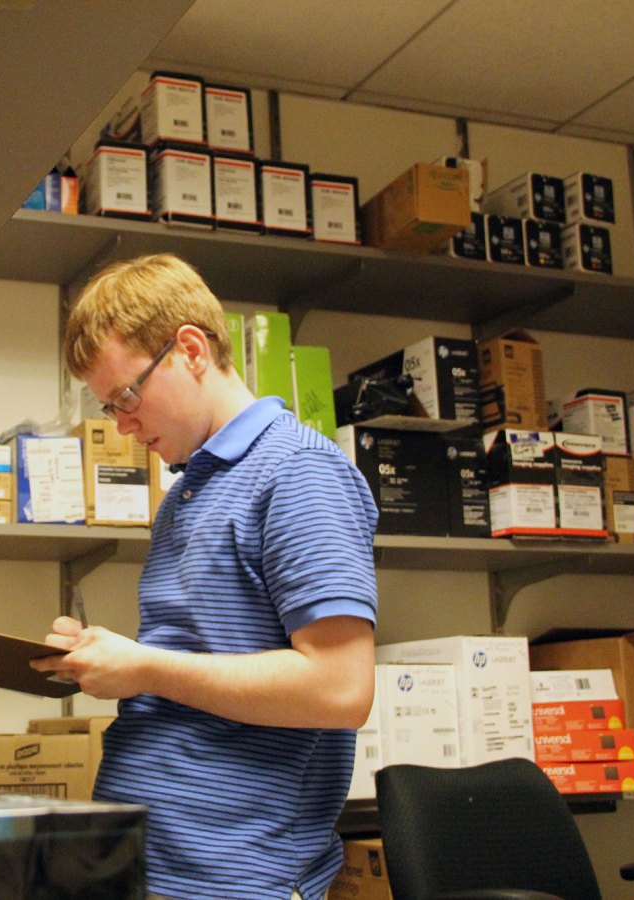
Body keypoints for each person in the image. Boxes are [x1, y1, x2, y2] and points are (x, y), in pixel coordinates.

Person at [30, 253, 379, 900]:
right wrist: (109, 660)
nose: (124, 425)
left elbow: (341, 688)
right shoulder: (191, 490)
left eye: (128, 396)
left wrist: (146, 668)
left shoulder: (298, 473)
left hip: (237, 879)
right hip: (149, 864)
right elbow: (199, 664)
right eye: (110, 408)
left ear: (190, 350)